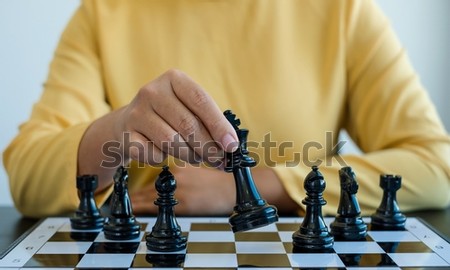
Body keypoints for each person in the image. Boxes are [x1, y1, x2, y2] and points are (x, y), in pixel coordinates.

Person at [3, 0, 450, 218]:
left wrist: (259, 187)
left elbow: (436, 166)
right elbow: (27, 176)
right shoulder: (104, 13)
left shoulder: (343, 12)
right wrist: (117, 130)